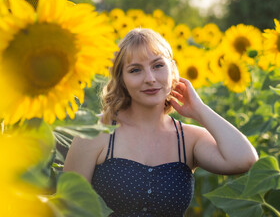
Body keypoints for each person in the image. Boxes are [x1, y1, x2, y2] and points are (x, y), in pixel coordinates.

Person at [63, 28, 259, 216]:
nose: (150, 79)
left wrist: (199, 110)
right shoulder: (96, 132)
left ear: (173, 70)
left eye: (158, 66)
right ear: (121, 79)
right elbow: (66, 207)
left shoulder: (189, 139)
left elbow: (245, 160)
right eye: (135, 70)